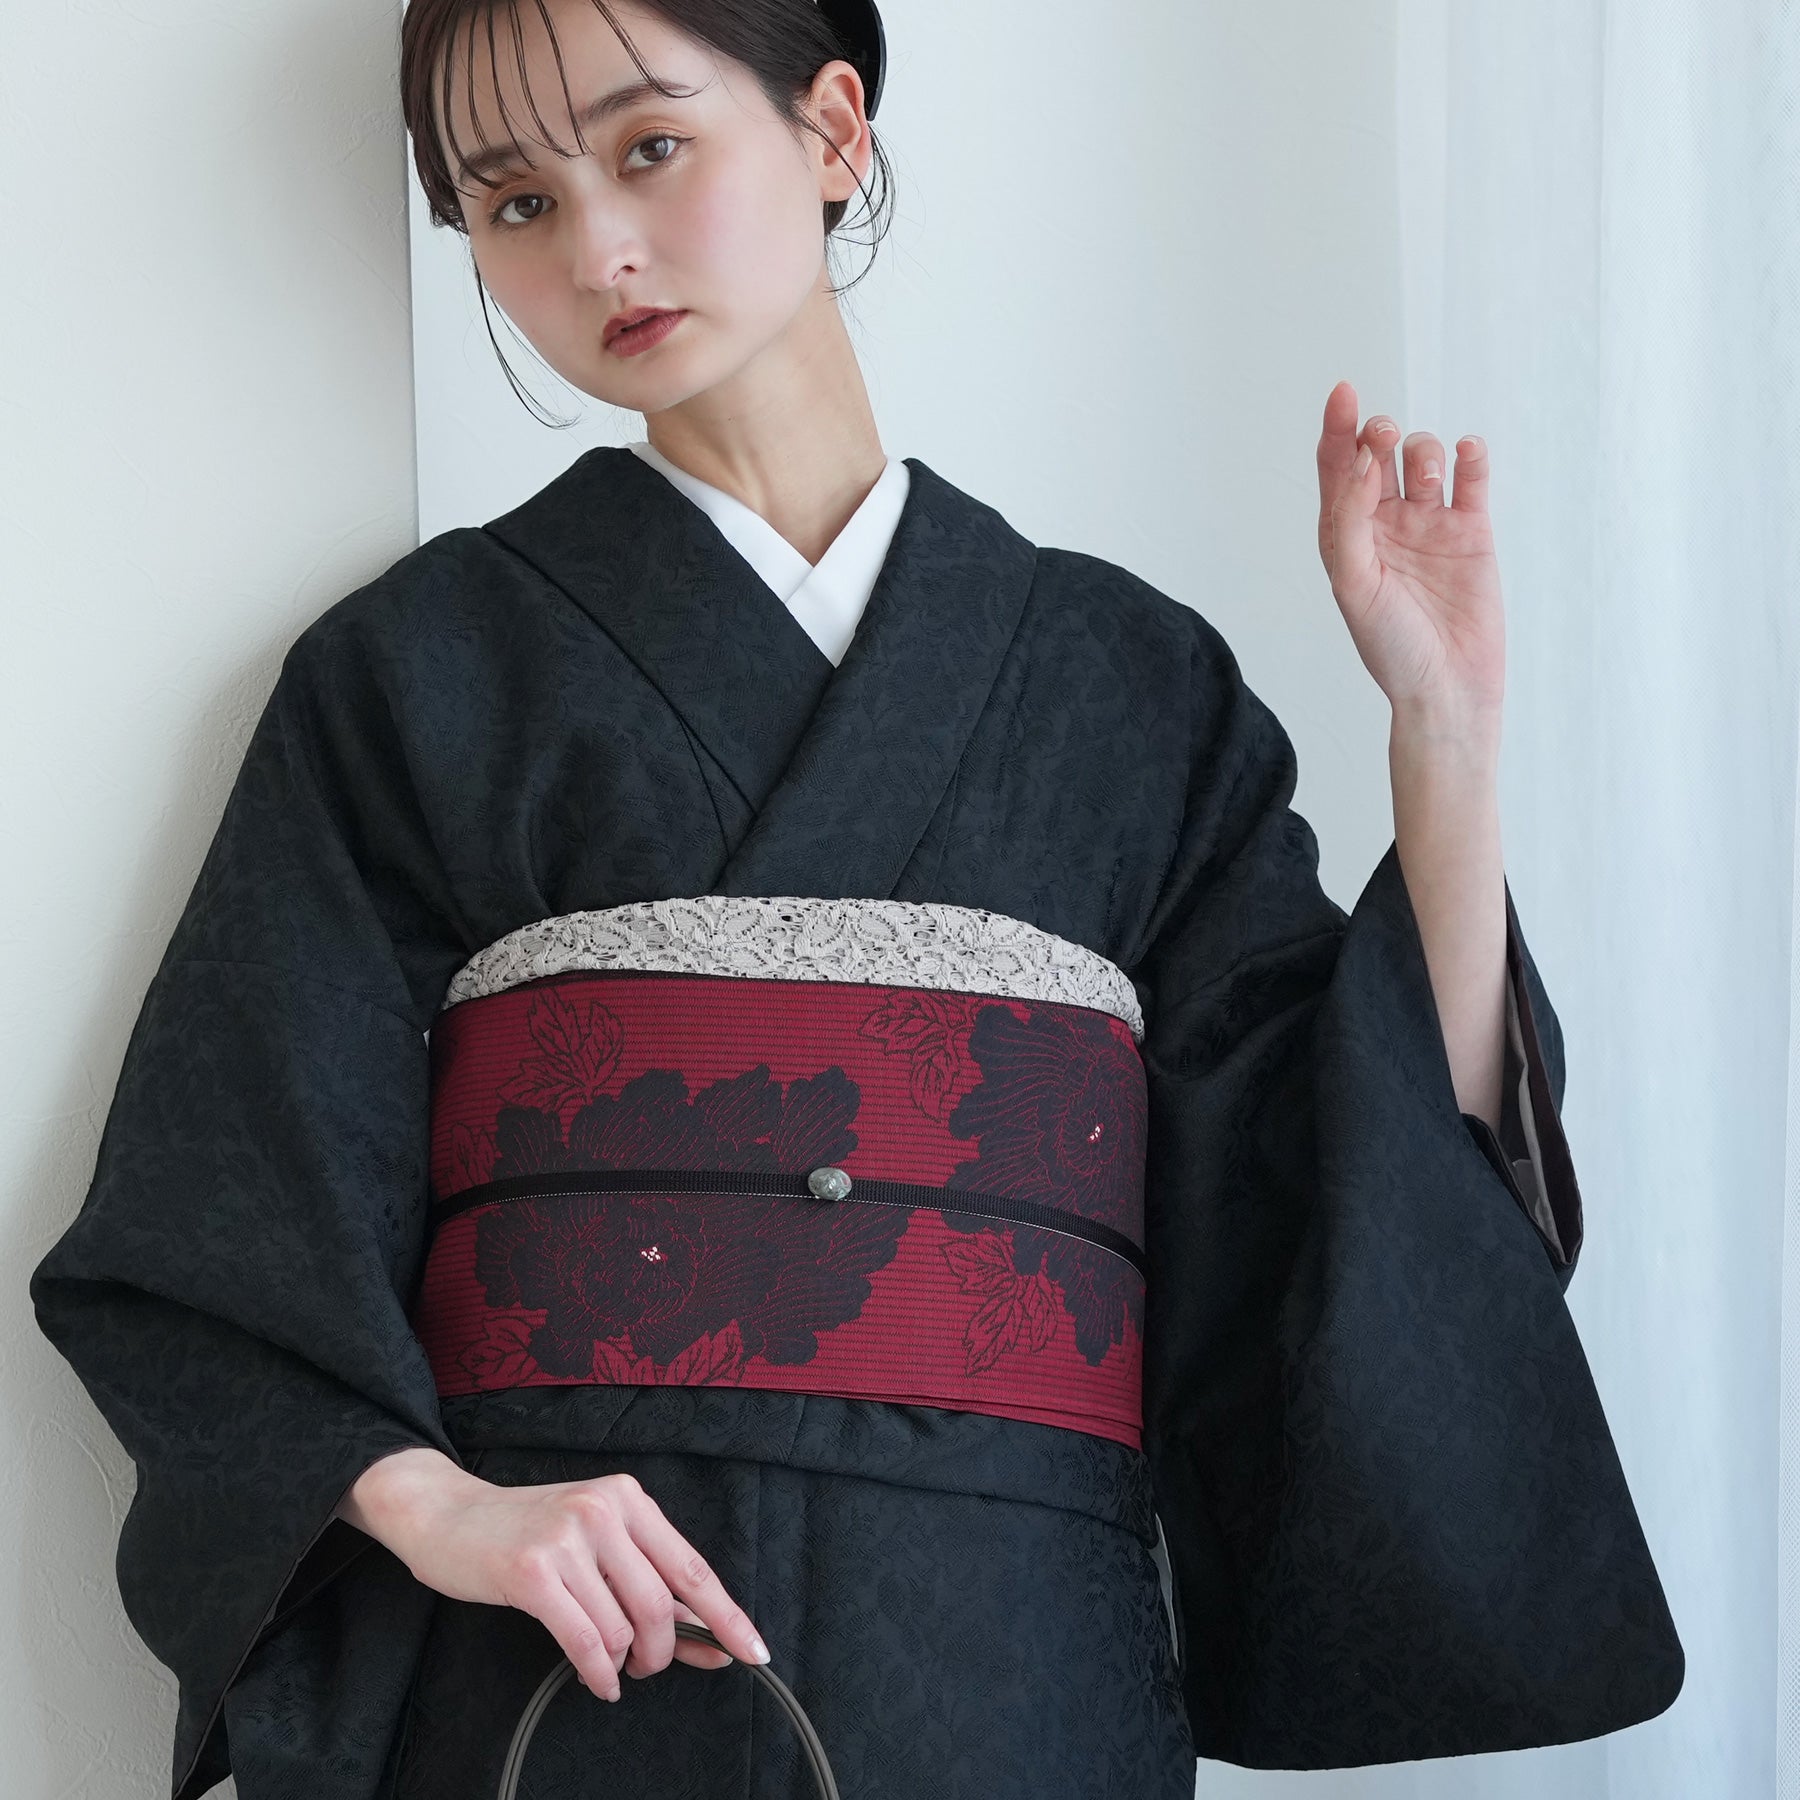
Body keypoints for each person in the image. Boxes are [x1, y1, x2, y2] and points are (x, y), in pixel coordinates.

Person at [29, 2, 1684, 1796]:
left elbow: (1340, 1202)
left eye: (651, 147)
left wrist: (1447, 737)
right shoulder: (415, 676)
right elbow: (223, 1198)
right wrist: (441, 1507)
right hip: (562, 1671)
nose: (597, 249)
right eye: (513, 203)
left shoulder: (1130, 690)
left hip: (1013, 1667)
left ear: (831, 129)